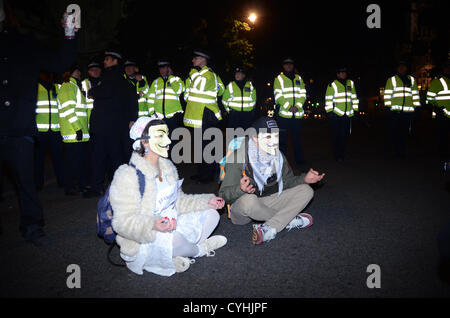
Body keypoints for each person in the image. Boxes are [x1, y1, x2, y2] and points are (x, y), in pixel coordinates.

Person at [0, 1, 78, 245]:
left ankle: (32, 226)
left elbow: (61, 62)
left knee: (25, 181)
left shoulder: (23, 43)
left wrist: (68, 33)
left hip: (18, 127)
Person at [109, 116, 227, 276]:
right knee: (174, 240)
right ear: (144, 142)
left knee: (212, 215)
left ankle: (178, 254)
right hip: (145, 237)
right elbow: (122, 223)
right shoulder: (127, 175)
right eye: (160, 135)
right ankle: (199, 250)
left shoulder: (167, 165)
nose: (168, 140)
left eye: (166, 134)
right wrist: (154, 224)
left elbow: (180, 202)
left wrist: (207, 201)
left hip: (172, 223)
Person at [218, 116, 324, 245]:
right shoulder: (238, 157)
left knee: (306, 190)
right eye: (268, 137)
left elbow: (287, 182)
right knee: (249, 200)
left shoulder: (278, 156)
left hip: (268, 200)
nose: (273, 141)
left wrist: (304, 179)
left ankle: (270, 227)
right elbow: (223, 195)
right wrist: (240, 189)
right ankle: (288, 220)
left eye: (275, 136)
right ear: (255, 138)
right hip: (242, 210)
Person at [83, 50, 138, 198]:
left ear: (115, 61)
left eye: (107, 59)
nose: (105, 62)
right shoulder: (121, 78)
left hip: (105, 126)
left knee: (101, 157)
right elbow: (132, 100)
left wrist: (92, 91)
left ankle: (99, 187)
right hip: (114, 126)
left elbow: (104, 92)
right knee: (115, 157)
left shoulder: (110, 77)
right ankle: (119, 187)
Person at [184, 49, 225, 183]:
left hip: (206, 115)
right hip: (198, 115)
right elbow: (188, 92)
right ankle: (204, 172)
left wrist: (193, 72)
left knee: (206, 146)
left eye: (195, 58)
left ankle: (207, 175)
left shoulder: (208, 74)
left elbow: (201, 86)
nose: (192, 61)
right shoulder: (202, 75)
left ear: (202, 59)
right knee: (200, 146)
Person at [57, 65, 90, 195]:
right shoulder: (67, 86)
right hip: (73, 132)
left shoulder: (74, 86)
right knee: (73, 162)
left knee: (77, 161)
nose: (80, 72)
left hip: (77, 131)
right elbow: (68, 110)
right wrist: (77, 128)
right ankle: (72, 187)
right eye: (77, 70)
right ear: (70, 73)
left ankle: (77, 185)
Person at [273, 57, 307, 165]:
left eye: (290, 64)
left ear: (293, 66)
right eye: (286, 64)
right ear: (283, 66)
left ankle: (299, 160)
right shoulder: (279, 79)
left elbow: (303, 94)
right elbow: (278, 96)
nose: (289, 66)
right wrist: (289, 107)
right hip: (284, 115)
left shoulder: (299, 78)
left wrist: (297, 106)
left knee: (297, 139)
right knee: (282, 140)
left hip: (296, 115)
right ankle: (282, 162)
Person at [383, 60, 421, 158]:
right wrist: (388, 107)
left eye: (404, 66)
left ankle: (401, 151)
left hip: (408, 112)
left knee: (404, 133)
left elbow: (415, 94)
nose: (402, 68)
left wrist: (417, 107)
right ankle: (392, 151)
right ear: (397, 68)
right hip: (395, 111)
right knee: (393, 132)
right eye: (400, 67)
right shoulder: (392, 80)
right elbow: (387, 95)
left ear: (406, 68)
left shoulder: (412, 80)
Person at [34, 71, 64, 190]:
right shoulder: (35, 88)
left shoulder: (57, 87)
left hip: (55, 130)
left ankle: (62, 181)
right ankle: (38, 184)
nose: (47, 75)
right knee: (38, 159)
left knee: (58, 158)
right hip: (40, 131)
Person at [325, 67, 359, 161]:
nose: (343, 74)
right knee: (336, 136)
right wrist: (330, 112)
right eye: (341, 72)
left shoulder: (351, 83)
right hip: (336, 115)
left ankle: (341, 153)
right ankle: (337, 154)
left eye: (345, 72)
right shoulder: (332, 84)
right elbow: (328, 99)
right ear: (338, 74)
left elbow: (354, 98)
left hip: (347, 115)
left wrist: (355, 110)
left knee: (344, 135)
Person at [147, 59, 185, 139]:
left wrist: (171, 77)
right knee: (160, 141)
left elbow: (179, 91)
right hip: (159, 117)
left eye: (164, 68)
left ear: (168, 69)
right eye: (160, 68)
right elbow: (150, 98)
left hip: (173, 117)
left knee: (173, 141)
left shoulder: (177, 79)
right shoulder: (156, 82)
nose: (161, 70)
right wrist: (152, 113)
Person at [427, 61, 450, 172]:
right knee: (443, 135)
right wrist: (437, 108)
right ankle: (443, 154)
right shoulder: (437, 81)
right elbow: (430, 98)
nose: (448, 70)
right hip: (442, 113)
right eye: (446, 68)